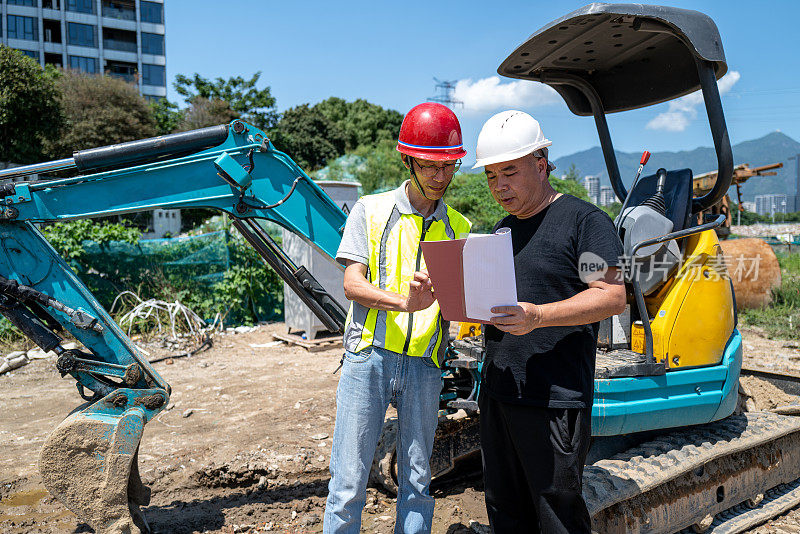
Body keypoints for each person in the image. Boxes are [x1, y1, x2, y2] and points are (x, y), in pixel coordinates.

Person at [473, 110, 626, 533]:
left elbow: (612, 295)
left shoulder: (586, 221)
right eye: (491, 176)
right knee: (506, 513)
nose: (499, 185)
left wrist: (538, 316)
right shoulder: (502, 231)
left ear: (540, 165)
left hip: (553, 399)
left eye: (510, 172)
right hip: (500, 393)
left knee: (555, 518)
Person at [323, 102, 472, 534]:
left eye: (449, 166)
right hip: (368, 358)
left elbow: (460, 306)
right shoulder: (369, 211)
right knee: (348, 483)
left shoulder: (459, 226)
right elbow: (352, 284)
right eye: (430, 166)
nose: (440, 177)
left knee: (418, 482)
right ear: (407, 159)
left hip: (425, 367)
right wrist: (402, 301)